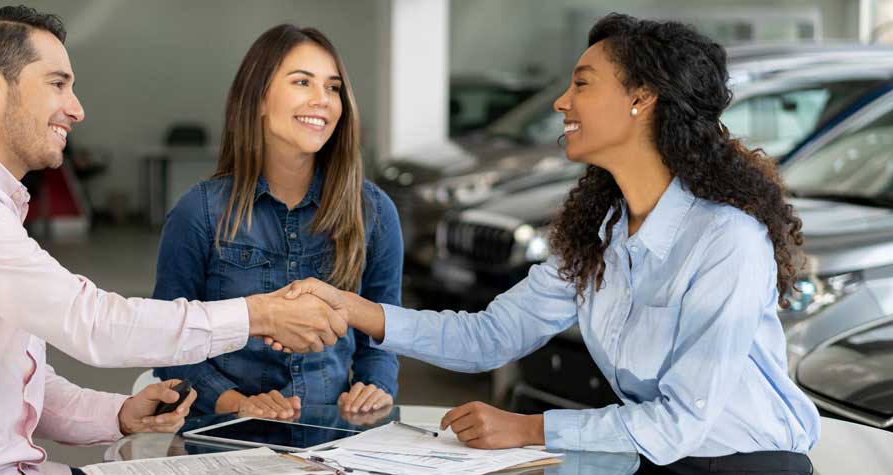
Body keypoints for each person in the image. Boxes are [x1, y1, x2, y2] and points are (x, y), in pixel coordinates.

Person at [281, 13, 819, 473]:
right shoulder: (601, 232)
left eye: (582, 84)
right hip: (650, 461)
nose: (562, 102)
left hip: (748, 465)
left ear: (642, 98)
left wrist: (528, 428)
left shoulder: (727, 240)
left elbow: (679, 422)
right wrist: (354, 309)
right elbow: (492, 337)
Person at [0, 7, 346, 475]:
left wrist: (118, 414)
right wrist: (260, 315)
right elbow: (91, 322)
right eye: (57, 84)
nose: (76, 109)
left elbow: (5, 378)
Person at [151, 24, 402, 420]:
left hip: (332, 440)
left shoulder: (373, 211)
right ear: (259, 99)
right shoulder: (199, 212)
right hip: (225, 440)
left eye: (333, 87)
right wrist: (237, 404)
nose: (323, 100)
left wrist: (376, 385)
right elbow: (168, 340)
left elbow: (383, 330)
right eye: (303, 82)